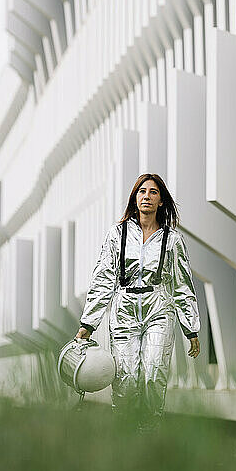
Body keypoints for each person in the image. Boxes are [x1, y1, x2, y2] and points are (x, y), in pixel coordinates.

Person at [75, 173, 200, 431]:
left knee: (154, 373)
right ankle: (125, 437)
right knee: (126, 378)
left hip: (159, 309)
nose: (147, 196)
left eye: (153, 192)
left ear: (161, 201)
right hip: (124, 311)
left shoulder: (172, 239)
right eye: (142, 191)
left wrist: (191, 328)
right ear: (135, 197)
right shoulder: (117, 234)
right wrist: (88, 323)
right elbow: (103, 278)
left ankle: (151, 434)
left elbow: (182, 284)